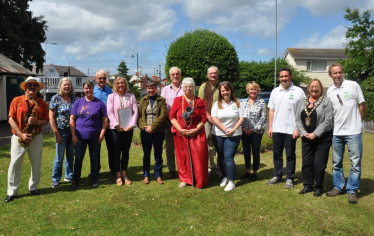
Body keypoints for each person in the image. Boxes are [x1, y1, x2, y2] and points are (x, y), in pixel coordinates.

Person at [326, 63, 366, 204]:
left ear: (342, 73)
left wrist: (358, 121)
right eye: (334, 73)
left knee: (355, 163)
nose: (337, 75)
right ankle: (338, 186)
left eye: (339, 72)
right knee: (337, 163)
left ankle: (352, 191)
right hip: (336, 132)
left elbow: (362, 105)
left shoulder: (353, 85)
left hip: (354, 132)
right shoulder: (329, 91)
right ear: (330, 75)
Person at [4, 77, 49, 203]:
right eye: (29, 85)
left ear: (37, 88)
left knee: (36, 164)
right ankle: (12, 192)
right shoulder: (16, 100)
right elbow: (10, 119)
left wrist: (37, 122)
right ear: (25, 87)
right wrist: (21, 134)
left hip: (36, 136)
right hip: (19, 136)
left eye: (35, 85)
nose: (32, 87)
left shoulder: (42, 103)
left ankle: (33, 187)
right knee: (14, 164)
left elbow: (46, 121)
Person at [266, 67, 305, 189]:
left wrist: (298, 129)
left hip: (291, 130)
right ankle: (277, 176)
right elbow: (272, 110)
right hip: (277, 129)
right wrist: (270, 127)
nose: (284, 79)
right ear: (279, 78)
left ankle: (289, 178)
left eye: (286, 76)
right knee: (277, 154)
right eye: (282, 76)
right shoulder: (275, 91)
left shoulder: (298, 91)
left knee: (290, 155)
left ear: (290, 77)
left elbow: (303, 112)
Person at [295, 79, 333, 197]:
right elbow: (297, 118)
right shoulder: (302, 101)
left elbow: (328, 120)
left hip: (322, 137)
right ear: (308, 89)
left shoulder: (326, 101)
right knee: (307, 162)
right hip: (306, 137)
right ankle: (307, 185)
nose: (314, 89)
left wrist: (315, 133)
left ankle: (318, 187)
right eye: (312, 86)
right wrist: (303, 133)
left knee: (319, 163)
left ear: (321, 88)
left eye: (317, 86)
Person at [170, 77, 209, 189]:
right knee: (183, 157)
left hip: (196, 133)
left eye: (190, 86)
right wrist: (180, 130)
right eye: (186, 86)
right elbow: (172, 117)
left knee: (198, 157)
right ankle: (184, 179)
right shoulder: (177, 100)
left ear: (193, 87)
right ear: (182, 88)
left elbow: (203, 118)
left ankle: (198, 179)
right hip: (181, 134)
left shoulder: (199, 101)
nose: (188, 88)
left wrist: (196, 129)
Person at [70, 81, 108, 189]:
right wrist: (73, 135)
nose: (88, 90)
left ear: (93, 89)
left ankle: (94, 178)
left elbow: (105, 119)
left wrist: (102, 134)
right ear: (83, 89)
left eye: (90, 88)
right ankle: (76, 179)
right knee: (78, 158)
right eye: (86, 88)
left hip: (95, 136)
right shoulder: (78, 102)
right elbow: (72, 119)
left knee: (94, 158)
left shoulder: (99, 103)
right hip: (80, 136)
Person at [211, 82, 246, 191]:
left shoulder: (238, 103)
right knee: (221, 157)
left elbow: (242, 117)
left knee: (229, 157)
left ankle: (231, 181)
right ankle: (225, 177)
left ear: (231, 91)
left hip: (234, 134)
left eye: (227, 90)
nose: (225, 93)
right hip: (218, 134)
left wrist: (233, 129)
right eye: (223, 91)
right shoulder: (217, 104)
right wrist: (225, 129)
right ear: (220, 93)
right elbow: (214, 118)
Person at [107, 77, 138, 186]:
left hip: (128, 129)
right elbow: (109, 112)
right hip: (115, 129)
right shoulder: (111, 97)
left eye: (122, 83)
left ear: (125, 84)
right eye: (118, 83)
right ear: (115, 84)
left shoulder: (131, 96)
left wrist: (131, 125)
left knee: (125, 152)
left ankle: (124, 174)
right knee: (116, 152)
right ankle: (118, 175)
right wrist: (116, 125)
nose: (120, 85)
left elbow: (135, 112)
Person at [137, 81, 168, 185]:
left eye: (152, 88)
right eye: (148, 88)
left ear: (156, 88)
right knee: (146, 154)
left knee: (158, 154)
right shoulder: (143, 100)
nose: (150, 90)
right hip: (145, 132)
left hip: (158, 131)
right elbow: (140, 116)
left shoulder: (162, 100)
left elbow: (163, 116)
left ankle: (158, 175)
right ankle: (146, 175)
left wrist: (153, 127)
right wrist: (144, 127)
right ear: (146, 89)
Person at [49, 77, 77, 188]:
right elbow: (51, 117)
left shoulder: (74, 99)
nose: (66, 87)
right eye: (64, 85)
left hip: (72, 132)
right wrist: (56, 133)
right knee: (59, 157)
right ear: (60, 86)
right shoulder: (55, 98)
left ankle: (69, 175)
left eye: (68, 85)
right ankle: (55, 179)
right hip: (61, 131)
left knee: (70, 155)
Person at [240, 81, 267, 182]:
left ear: (258, 90)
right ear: (248, 90)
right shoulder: (243, 102)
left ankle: (255, 172)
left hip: (256, 132)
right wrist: (242, 128)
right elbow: (241, 116)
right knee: (246, 152)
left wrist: (254, 129)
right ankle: (247, 171)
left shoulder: (262, 102)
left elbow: (263, 117)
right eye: (251, 89)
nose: (253, 91)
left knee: (255, 152)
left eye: (255, 89)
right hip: (244, 131)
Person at [161, 67, 184, 179]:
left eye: (177, 74)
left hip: (183, 122)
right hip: (169, 121)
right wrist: (171, 116)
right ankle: (171, 170)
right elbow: (163, 105)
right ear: (170, 76)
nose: (175, 76)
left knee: (182, 147)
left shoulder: (185, 88)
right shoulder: (165, 89)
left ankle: (183, 169)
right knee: (170, 147)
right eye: (173, 74)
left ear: (180, 75)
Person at [198, 66, 220, 176]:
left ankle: (220, 166)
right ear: (207, 75)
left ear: (218, 74)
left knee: (220, 142)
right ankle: (210, 167)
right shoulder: (203, 86)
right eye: (211, 73)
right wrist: (208, 116)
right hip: (207, 118)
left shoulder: (222, 86)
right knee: (208, 141)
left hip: (220, 118)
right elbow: (201, 103)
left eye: (215, 73)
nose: (213, 75)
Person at [93, 70, 114, 175]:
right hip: (96, 124)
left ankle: (114, 169)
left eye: (104, 78)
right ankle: (95, 170)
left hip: (109, 123)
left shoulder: (110, 91)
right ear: (96, 79)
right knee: (95, 148)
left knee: (112, 147)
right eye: (100, 78)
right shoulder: (92, 91)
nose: (102, 80)